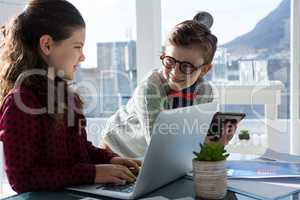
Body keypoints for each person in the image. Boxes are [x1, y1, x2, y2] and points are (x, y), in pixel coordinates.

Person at [0, 0, 140, 194]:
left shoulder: (68, 98)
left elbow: (81, 150)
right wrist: (92, 174)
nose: (82, 57)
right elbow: (22, 179)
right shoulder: (21, 102)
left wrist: (110, 159)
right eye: (77, 47)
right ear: (47, 45)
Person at [100, 12, 237, 158]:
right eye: (170, 61)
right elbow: (159, 146)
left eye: (187, 66)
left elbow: (197, 134)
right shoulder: (150, 89)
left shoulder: (206, 91)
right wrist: (205, 143)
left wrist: (216, 141)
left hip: (149, 156)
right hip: (115, 150)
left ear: (204, 70)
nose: (175, 72)